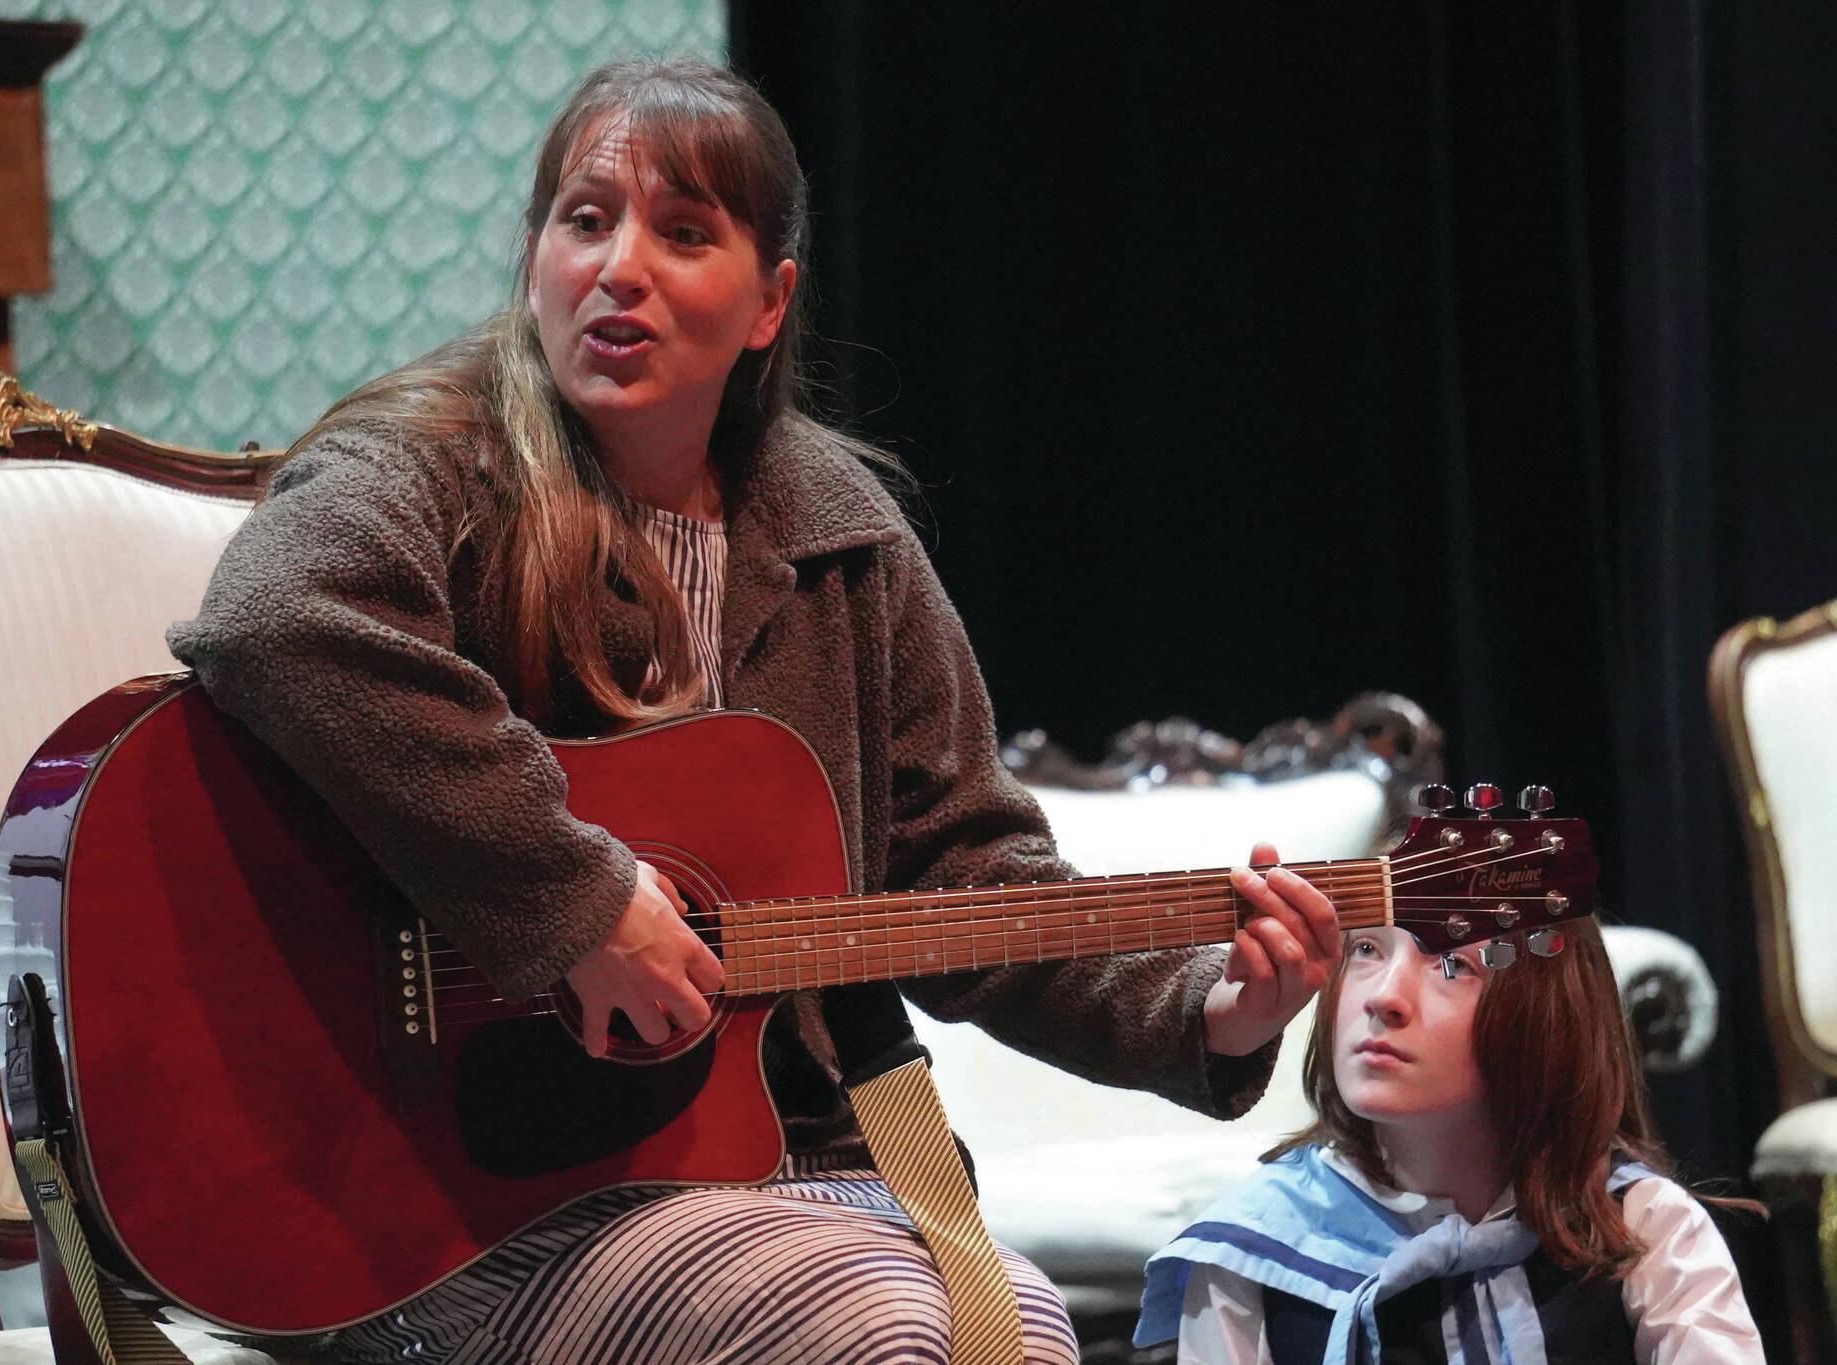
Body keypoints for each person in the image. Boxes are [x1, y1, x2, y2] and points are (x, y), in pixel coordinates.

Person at [169, 55, 1341, 1365]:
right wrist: (574, 897)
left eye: (683, 233)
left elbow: (966, 877)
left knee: (1012, 1330)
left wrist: (1213, 1008)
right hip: (464, 1196)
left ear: (770, 301)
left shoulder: (846, 542)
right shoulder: (434, 465)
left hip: (802, 1167)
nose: (622, 267)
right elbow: (283, 612)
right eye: (585, 218)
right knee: (890, 1337)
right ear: (535, 255)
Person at [1136, 918, 1763, 1365]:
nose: (1383, 998)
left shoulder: (1644, 1225)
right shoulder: (1249, 1250)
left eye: (1450, 963)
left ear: (1546, 1014)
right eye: (1365, 950)